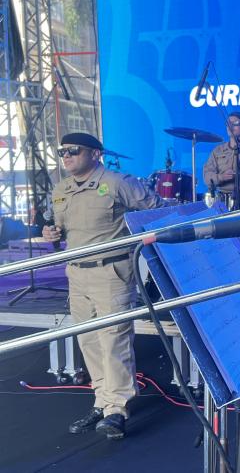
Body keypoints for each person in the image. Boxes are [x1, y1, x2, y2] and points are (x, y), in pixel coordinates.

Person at [43, 132, 165, 439]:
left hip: (111, 272)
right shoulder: (61, 189)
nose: (66, 156)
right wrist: (51, 234)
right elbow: (60, 229)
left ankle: (116, 409)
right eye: (62, 152)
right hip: (77, 274)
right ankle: (103, 399)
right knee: (89, 341)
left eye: (73, 151)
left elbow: (156, 208)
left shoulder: (117, 182)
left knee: (114, 341)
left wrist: (140, 243)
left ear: (95, 154)